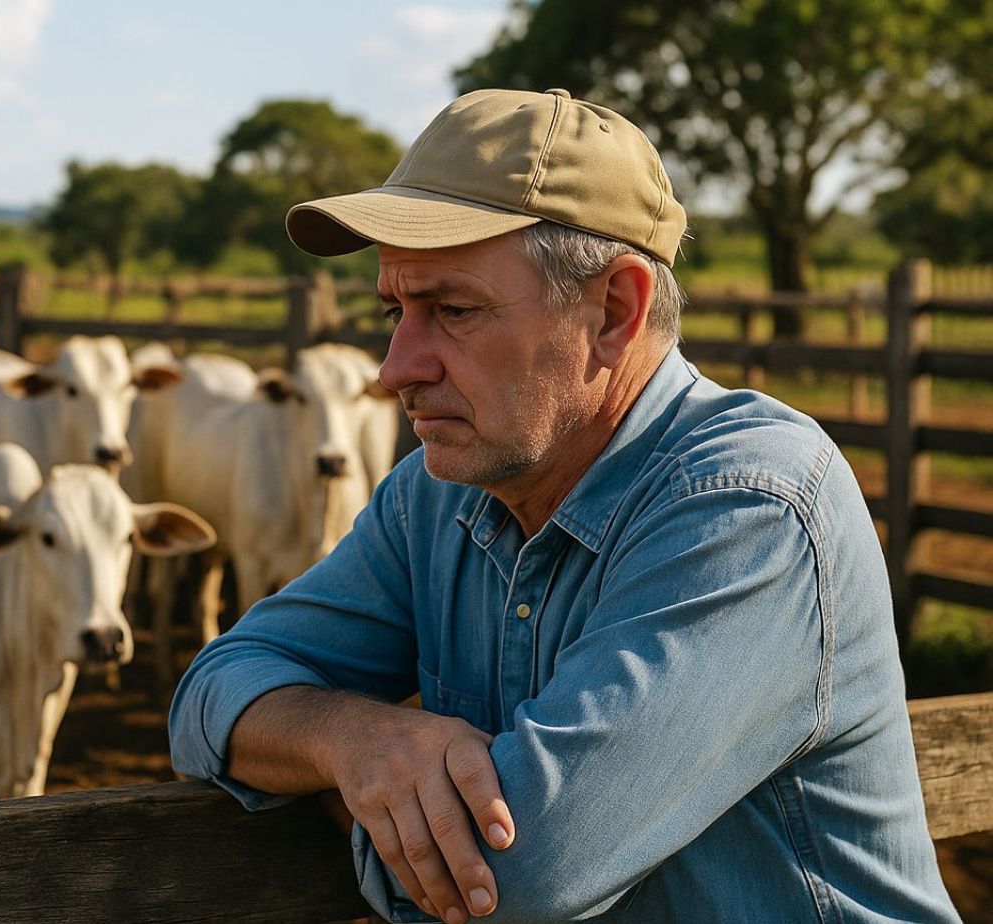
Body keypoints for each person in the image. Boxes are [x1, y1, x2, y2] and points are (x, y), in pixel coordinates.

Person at [167, 88, 960, 923]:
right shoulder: (436, 497)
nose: (394, 368)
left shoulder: (747, 507)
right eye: (394, 310)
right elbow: (210, 694)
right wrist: (359, 742)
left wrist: (355, 799)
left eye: (454, 310)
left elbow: (519, 881)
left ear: (615, 310)